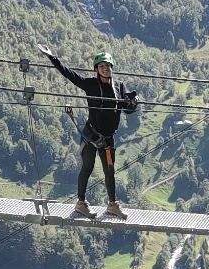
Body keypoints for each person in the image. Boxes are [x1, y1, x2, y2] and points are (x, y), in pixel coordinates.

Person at [38, 45, 140, 219]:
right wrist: (52, 58)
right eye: (102, 66)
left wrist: (133, 104)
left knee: (109, 171)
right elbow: (70, 75)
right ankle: (81, 203)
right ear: (96, 70)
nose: (105, 69)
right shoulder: (91, 85)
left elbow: (126, 110)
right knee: (87, 168)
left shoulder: (119, 87)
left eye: (107, 66)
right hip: (91, 136)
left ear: (111, 67)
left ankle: (112, 205)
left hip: (107, 139)